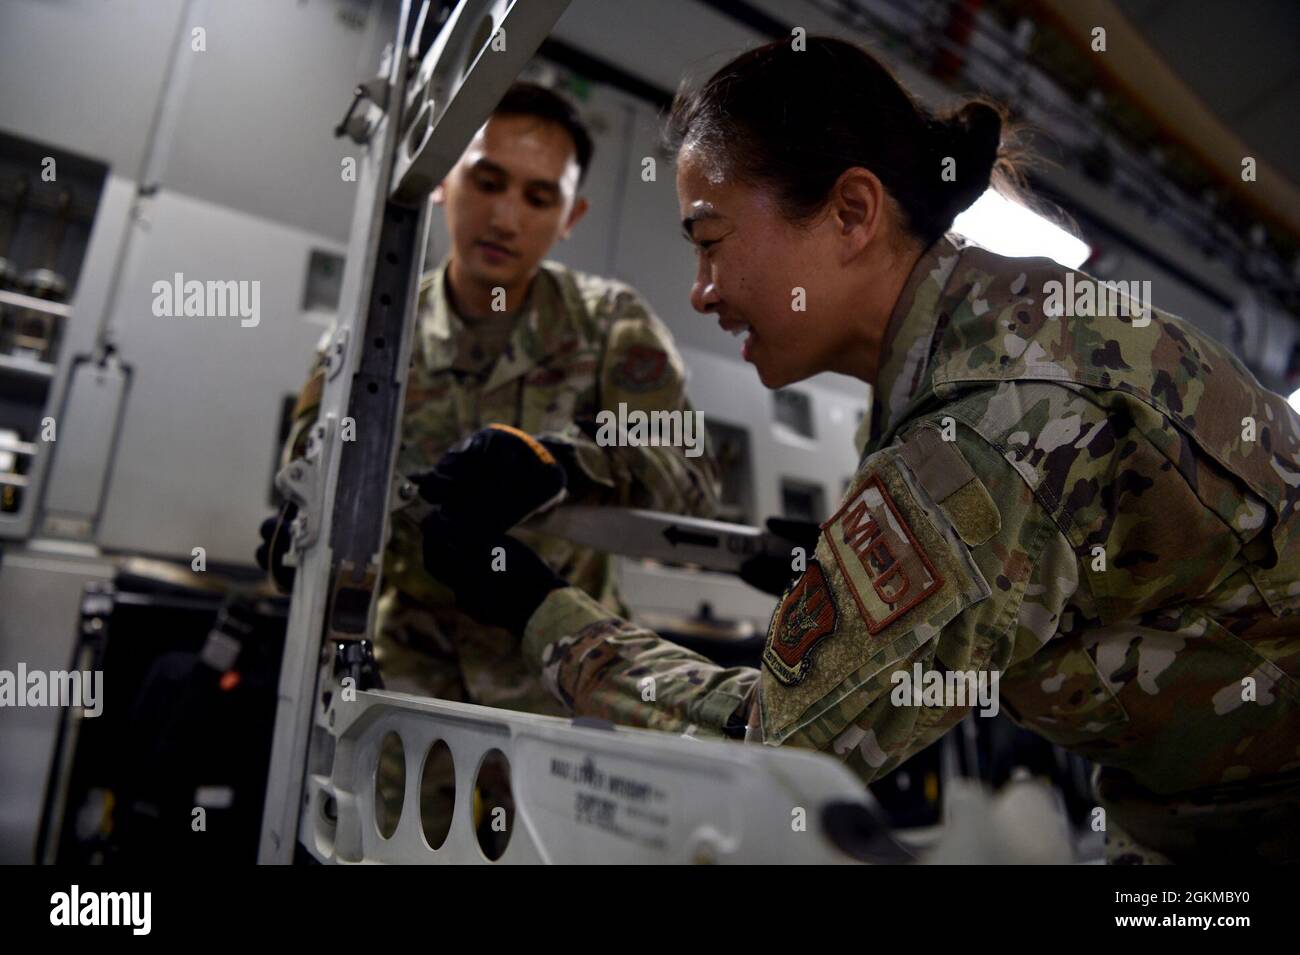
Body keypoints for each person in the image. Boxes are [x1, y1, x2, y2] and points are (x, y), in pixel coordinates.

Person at [417, 39, 1300, 864]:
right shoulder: (983, 334)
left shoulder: (991, 421)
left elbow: (773, 741)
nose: (700, 291)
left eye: (711, 241)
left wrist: (534, 606)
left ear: (850, 212)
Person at [258, 83, 720, 829]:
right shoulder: (372, 334)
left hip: (560, 670)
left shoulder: (607, 324)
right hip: (403, 682)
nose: (506, 216)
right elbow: (305, 476)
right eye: (488, 180)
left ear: (571, 218)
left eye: (540, 197)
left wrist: (563, 465)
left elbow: (693, 478)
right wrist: (297, 539)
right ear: (444, 179)